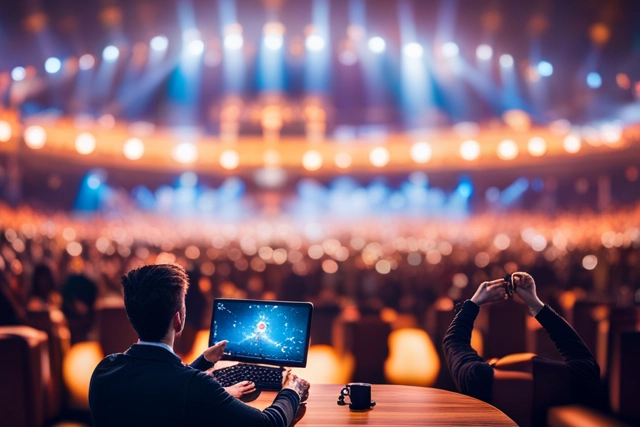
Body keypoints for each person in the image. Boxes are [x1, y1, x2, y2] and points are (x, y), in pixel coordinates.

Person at [89, 264, 310, 427]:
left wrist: (203, 362)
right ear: (178, 319)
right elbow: (268, 424)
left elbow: (158, 386)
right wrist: (292, 389)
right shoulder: (195, 387)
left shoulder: (105, 370)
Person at [443, 272, 606, 411]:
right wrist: (535, 304)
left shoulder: (477, 380)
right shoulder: (559, 384)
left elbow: (453, 342)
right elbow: (587, 364)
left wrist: (473, 303)